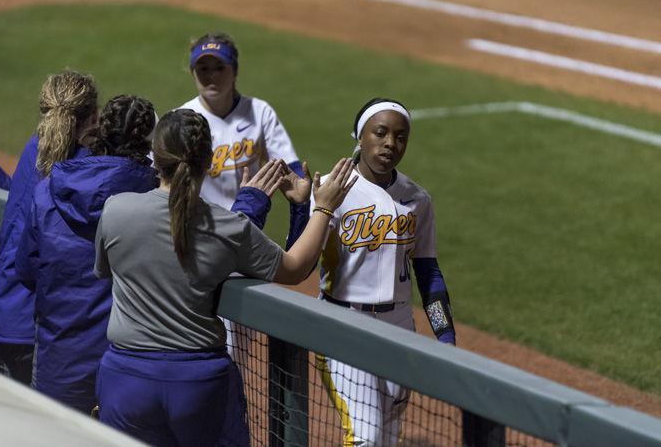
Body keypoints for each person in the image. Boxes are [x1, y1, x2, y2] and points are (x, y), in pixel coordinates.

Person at [94, 108, 356, 445]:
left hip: (126, 379)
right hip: (197, 383)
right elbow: (295, 268)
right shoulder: (229, 227)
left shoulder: (115, 209)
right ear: (209, 162)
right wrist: (322, 207)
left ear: (155, 159)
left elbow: (107, 272)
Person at [309, 98, 456, 446]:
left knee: (389, 435)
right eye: (381, 133)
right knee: (366, 437)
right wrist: (307, 209)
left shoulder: (417, 199)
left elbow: (428, 272)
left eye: (401, 136)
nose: (391, 143)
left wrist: (446, 336)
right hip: (342, 322)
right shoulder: (332, 188)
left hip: (399, 326)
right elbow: (301, 254)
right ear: (360, 138)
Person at [14, 95, 158, 413]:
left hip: (58, 362)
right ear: (148, 145)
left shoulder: (49, 189)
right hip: (124, 368)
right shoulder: (153, 200)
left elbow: (25, 269)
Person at [180, 31, 309, 365]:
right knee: (204, 345)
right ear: (193, 73)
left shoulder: (258, 112)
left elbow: (292, 170)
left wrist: (303, 193)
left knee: (235, 356)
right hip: (200, 246)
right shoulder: (183, 119)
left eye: (218, 67)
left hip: (244, 242)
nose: (210, 76)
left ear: (234, 71)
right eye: (202, 69)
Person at [0, 70, 98, 384]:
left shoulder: (34, 148)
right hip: (40, 330)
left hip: (4, 314)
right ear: (93, 116)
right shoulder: (86, 169)